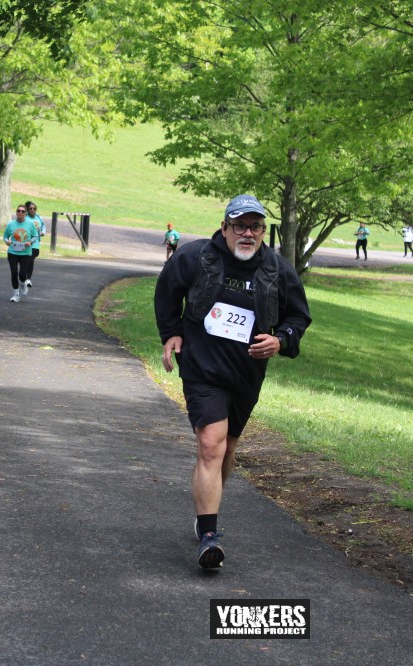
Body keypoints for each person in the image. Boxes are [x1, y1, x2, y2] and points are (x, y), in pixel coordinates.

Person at [154, 194, 311, 570]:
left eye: (256, 227)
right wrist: (171, 332)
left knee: (226, 449)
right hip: (202, 368)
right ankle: (209, 534)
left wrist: (281, 340)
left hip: (246, 373)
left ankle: (206, 512)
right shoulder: (195, 257)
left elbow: (298, 317)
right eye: (240, 226)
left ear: (263, 231)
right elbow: (167, 292)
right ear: (224, 227)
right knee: (211, 445)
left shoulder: (277, 270)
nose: (248, 233)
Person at [3, 205, 39, 303]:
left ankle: (23, 283)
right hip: (12, 252)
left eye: (23, 211)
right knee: (14, 273)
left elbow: (35, 236)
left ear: (26, 213)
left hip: (26, 253)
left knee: (22, 274)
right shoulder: (11, 224)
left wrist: (30, 242)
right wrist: (7, 241)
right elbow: (5, 236)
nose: (20, 213)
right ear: (16, 212)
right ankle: (16, 294)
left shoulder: (30, 224)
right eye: (18, 211)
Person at [23, 201, 46, 289]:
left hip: (36, 243)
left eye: (34, 208)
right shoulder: (25, 218)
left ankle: (27, 278)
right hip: (27, 243)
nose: (32, 210)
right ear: (27, 210)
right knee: (28, 260)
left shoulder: (38, 218)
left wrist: (43, 232)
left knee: (31, 259)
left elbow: (43, 226)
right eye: (30, 209)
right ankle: (27, 279)